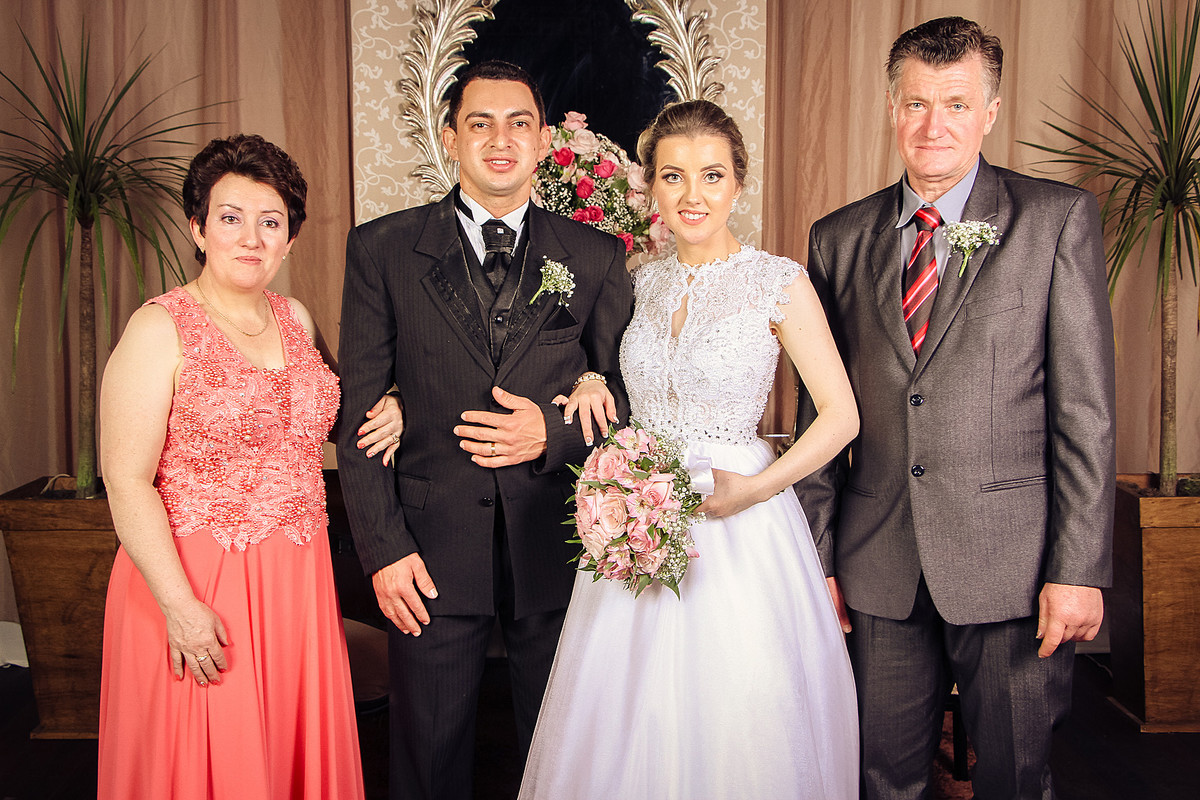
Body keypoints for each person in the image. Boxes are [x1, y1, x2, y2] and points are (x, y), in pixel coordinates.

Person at [794, 16, 1116, 799]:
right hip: (877, 567)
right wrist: (819, 557)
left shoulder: (1054, 221)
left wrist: (1076, 570)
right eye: (915, 104)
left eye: (957, 104)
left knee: (1016, 776)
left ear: (991, 111)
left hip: (1014, 566)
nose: (933, 125)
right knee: (879, 778)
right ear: (891, 107)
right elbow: (818, 421)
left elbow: (1086, 415)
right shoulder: (837, 240)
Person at [519, 100, 860, 800]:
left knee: (738, 711)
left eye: (711, 175)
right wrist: (588, 380)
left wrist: (756, 490)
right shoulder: (636, 281)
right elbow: (597, 370)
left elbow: (841, 416)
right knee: (626, 714)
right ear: (649, 188)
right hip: (637, 514)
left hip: (741, 520)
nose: (692, 195)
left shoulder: (779, 282)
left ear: (738, 183)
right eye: (673, 177)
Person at [336, 60, 634, 800]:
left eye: (518, 124)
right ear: (450, 138)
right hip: (429, 552)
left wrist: (554, 437)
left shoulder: (595, 255)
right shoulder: (381, 250)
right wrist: (384, 548)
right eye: (480, 123)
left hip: (557, 545)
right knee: (427, 761)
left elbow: (631, 400)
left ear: (541, 141)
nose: (500, 141)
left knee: (559, 756)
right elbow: (359, 416)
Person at [97, 133, 403, 799]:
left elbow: (333, 420)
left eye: (271, 223)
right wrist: (179, 604)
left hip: (295, 580)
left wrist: (396, 406)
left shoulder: (294, 317)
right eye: (231, 218)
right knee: (211, 756)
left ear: (290, 239)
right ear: (198, 228)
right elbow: (124, 480)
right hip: (193, 579)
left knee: (284, 751)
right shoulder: (159, 328)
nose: (252, 239)